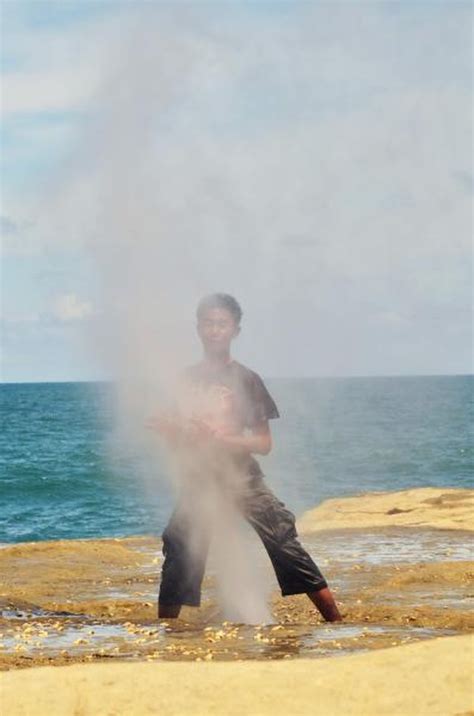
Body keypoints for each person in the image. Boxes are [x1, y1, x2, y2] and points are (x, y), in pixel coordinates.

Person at [147, 293, 342, 622]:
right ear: (198, 329)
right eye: (208, 323)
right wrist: (169, 431)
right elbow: (177, 441)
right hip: (201, 480)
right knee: (180, 547)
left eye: (221, 324)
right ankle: (167, 632)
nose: (214, 330)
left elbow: (264, 443)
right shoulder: (184, 380)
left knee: (282, 539)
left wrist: (224, 438)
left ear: (235, 330)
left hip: (242, 477)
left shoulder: (248, 380)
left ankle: (336, 621)